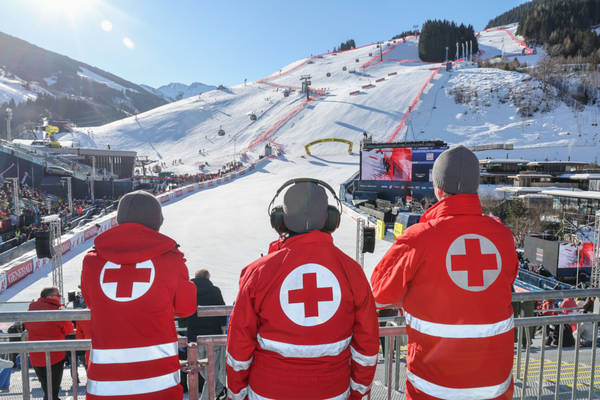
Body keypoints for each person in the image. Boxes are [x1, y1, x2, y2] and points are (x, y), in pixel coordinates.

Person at [371, 145, 518, 400]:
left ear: (438, 189)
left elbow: (379, 292)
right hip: (494, 387)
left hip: (434, 387)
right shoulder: (502, 237)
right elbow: (507, 279)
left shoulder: (419, 239)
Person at [226, 178, 379, 400]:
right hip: (333, 392)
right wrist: (357, 393)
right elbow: (367, 344)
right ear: (332, 219)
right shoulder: (352, 272)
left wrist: (237, 395)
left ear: (279, 221)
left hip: (267, 392)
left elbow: (239, 345)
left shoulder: (257, 273)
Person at [81, 190, 197, 399]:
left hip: (106, 383)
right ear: (157, 222)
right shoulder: (171, 259)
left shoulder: (92, 261)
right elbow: (186, 308)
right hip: (159, 382)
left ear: (119, 220)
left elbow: (91, 302)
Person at [180, 269, 227, 400]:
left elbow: (183, 313)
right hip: (213, 336)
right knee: (212, 370)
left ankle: (218, 390)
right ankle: (219, 389)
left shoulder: (188, 291)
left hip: (194, 337)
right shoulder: (215, 290)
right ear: (208, 278)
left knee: (198, 369)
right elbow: (222, 312)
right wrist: (222, 326)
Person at [25, 287, 74, 400]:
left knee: (47, 389)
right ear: (49, 297)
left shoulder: (30, 309)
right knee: (52, 391)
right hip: (55, 356)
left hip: (36, 355)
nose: (60, 297)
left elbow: (27, 326)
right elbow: (69, 329)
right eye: (58, 295)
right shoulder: (56, 311)